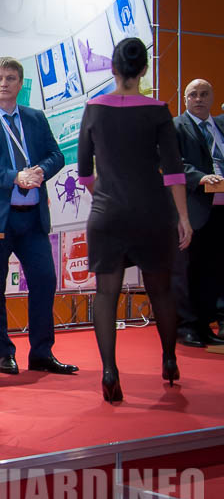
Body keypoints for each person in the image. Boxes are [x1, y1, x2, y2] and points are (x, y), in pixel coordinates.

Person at [76, 37, 193, 402]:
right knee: (161, 290)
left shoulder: (94, 108)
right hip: (153, 213)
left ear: (112, 68)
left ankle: (109, 371)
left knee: (106, 294)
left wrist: (105, 198)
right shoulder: (159, 110)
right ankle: (170, 359)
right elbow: (174, 171)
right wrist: (183, 217)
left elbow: (84, 173)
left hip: (107, 214)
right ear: (144, 69)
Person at [0, 57, 77, 377]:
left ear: (20, 84)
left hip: (32, 218)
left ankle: (42, 353)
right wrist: (15, 177)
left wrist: (41, 171)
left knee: (45, 280)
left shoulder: (35, 118)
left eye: (10, 78)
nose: (4, 83)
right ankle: (3, 352)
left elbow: (56, 155)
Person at [170, 79, 224, 348]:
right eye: (193, 94)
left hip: (221, 209)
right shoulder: (176, 126)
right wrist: (200, 177)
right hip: (192, 208)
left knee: (213, 270)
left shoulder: (220, 126)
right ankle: (187, 327)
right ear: (185, 99)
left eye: (204, 94)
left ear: (212, 97)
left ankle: (205, 324)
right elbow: (173, 163)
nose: (199, 99)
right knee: (187, 271)